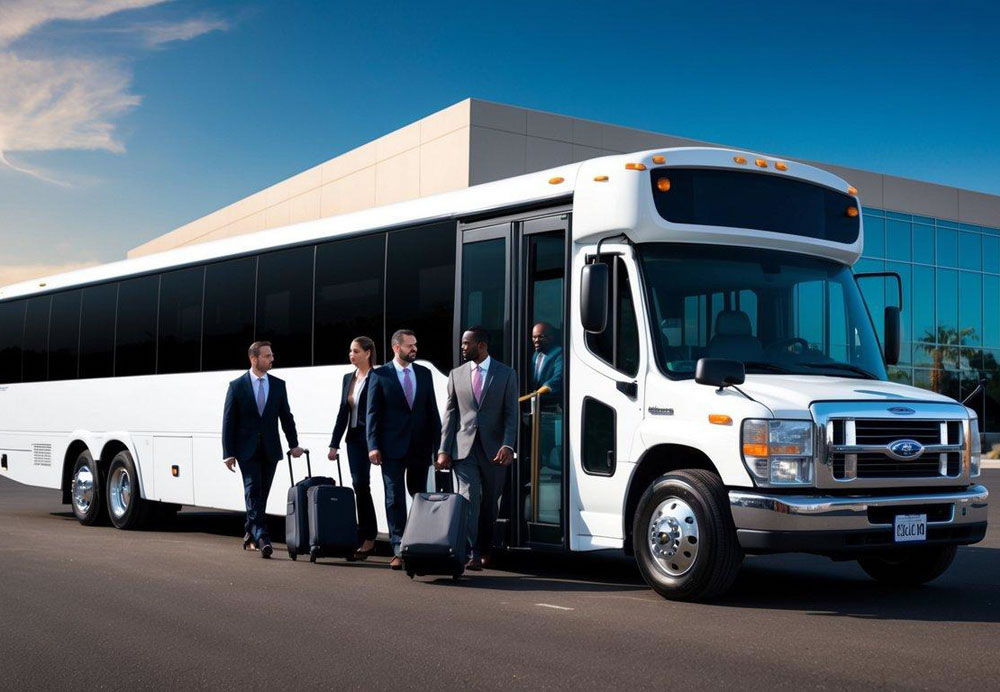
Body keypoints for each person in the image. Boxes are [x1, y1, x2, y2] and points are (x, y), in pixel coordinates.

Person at [436, 327, 517, 570]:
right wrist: (443, 450)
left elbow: (512, 414)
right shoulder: (456, 374)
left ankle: (485, 548)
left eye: (466, 343)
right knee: (469, 498)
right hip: (464, 449)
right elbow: (450, 414)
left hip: (494, 451)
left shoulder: (506, 374)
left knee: (490, 502)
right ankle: (471, 553)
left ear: (481, 345)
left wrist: (508, 445)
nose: (462, 347)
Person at [366, 329, 441, 570]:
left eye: (415, 344)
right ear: (396, 348)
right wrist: (373, 446)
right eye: (410, 345)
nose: (414, 349)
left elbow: (433, 413)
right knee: (394, 497)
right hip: (390, 448)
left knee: (420, 497)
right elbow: (372, 415)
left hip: (419, 446)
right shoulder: (380, 375)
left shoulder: (424, 373)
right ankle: (398, 547)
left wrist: (439, 448)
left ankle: (419, 543)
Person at [222, 341, 303, 559]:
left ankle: (250, 531)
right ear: (254, 359)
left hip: (270, 449)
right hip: (246, 450)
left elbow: (286, 417)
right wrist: (228, 453)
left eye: (272, 355)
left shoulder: (278, 385)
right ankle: (262, 536)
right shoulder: (237, 386)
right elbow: (228, 421)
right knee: (252, 490)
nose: (272, 359)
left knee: (262, 493)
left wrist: (293, 444)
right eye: (267, 356)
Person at [328, 337, 378, 560]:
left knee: (389, 487)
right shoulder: (348, 378)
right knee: (360, 485)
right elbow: (342, 413)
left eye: (356, 351)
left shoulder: (379, 377)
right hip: (355, 438)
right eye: (350, 351)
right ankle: (367, 536)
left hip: (376, 440)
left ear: (368, 353)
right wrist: (334, 444)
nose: (351, 355)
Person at [530, 322, 563, 402]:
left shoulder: (560, 354)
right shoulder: (536, 355)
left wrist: (544, 389)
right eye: (534, 337)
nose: (536, 340)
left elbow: (558, 378)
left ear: (551, 337)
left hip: (553, 403)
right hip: (536, 402)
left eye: (541, 337)